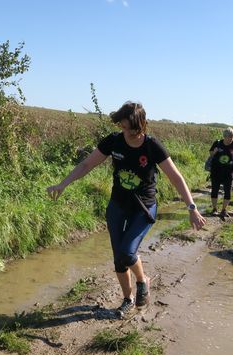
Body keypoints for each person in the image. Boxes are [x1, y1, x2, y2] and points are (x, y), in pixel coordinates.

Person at [47, 101, 206, 318]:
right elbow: (86, 164)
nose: (125, 132)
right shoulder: (113, 141)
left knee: (127, 252)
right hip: (118, 205)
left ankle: (143, 281)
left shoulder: (152, 145)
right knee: (118, 258)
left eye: (130, 128)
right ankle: (128, 299)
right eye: (122, 126)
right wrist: (63, 184)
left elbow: (176, 177)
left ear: (141, 125)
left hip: (143, 207)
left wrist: (192, 207)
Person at [208, 127, 233, 218]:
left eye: (231, 136)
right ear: (224, 136)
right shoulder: (217, 143)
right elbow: (211, 155)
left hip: (229, 172)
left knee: (228, 191)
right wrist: (215, 152)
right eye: (228, 136)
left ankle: (224, 210)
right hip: (216, 171)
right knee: (215, 190)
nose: (230, 138)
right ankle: (214, 209)